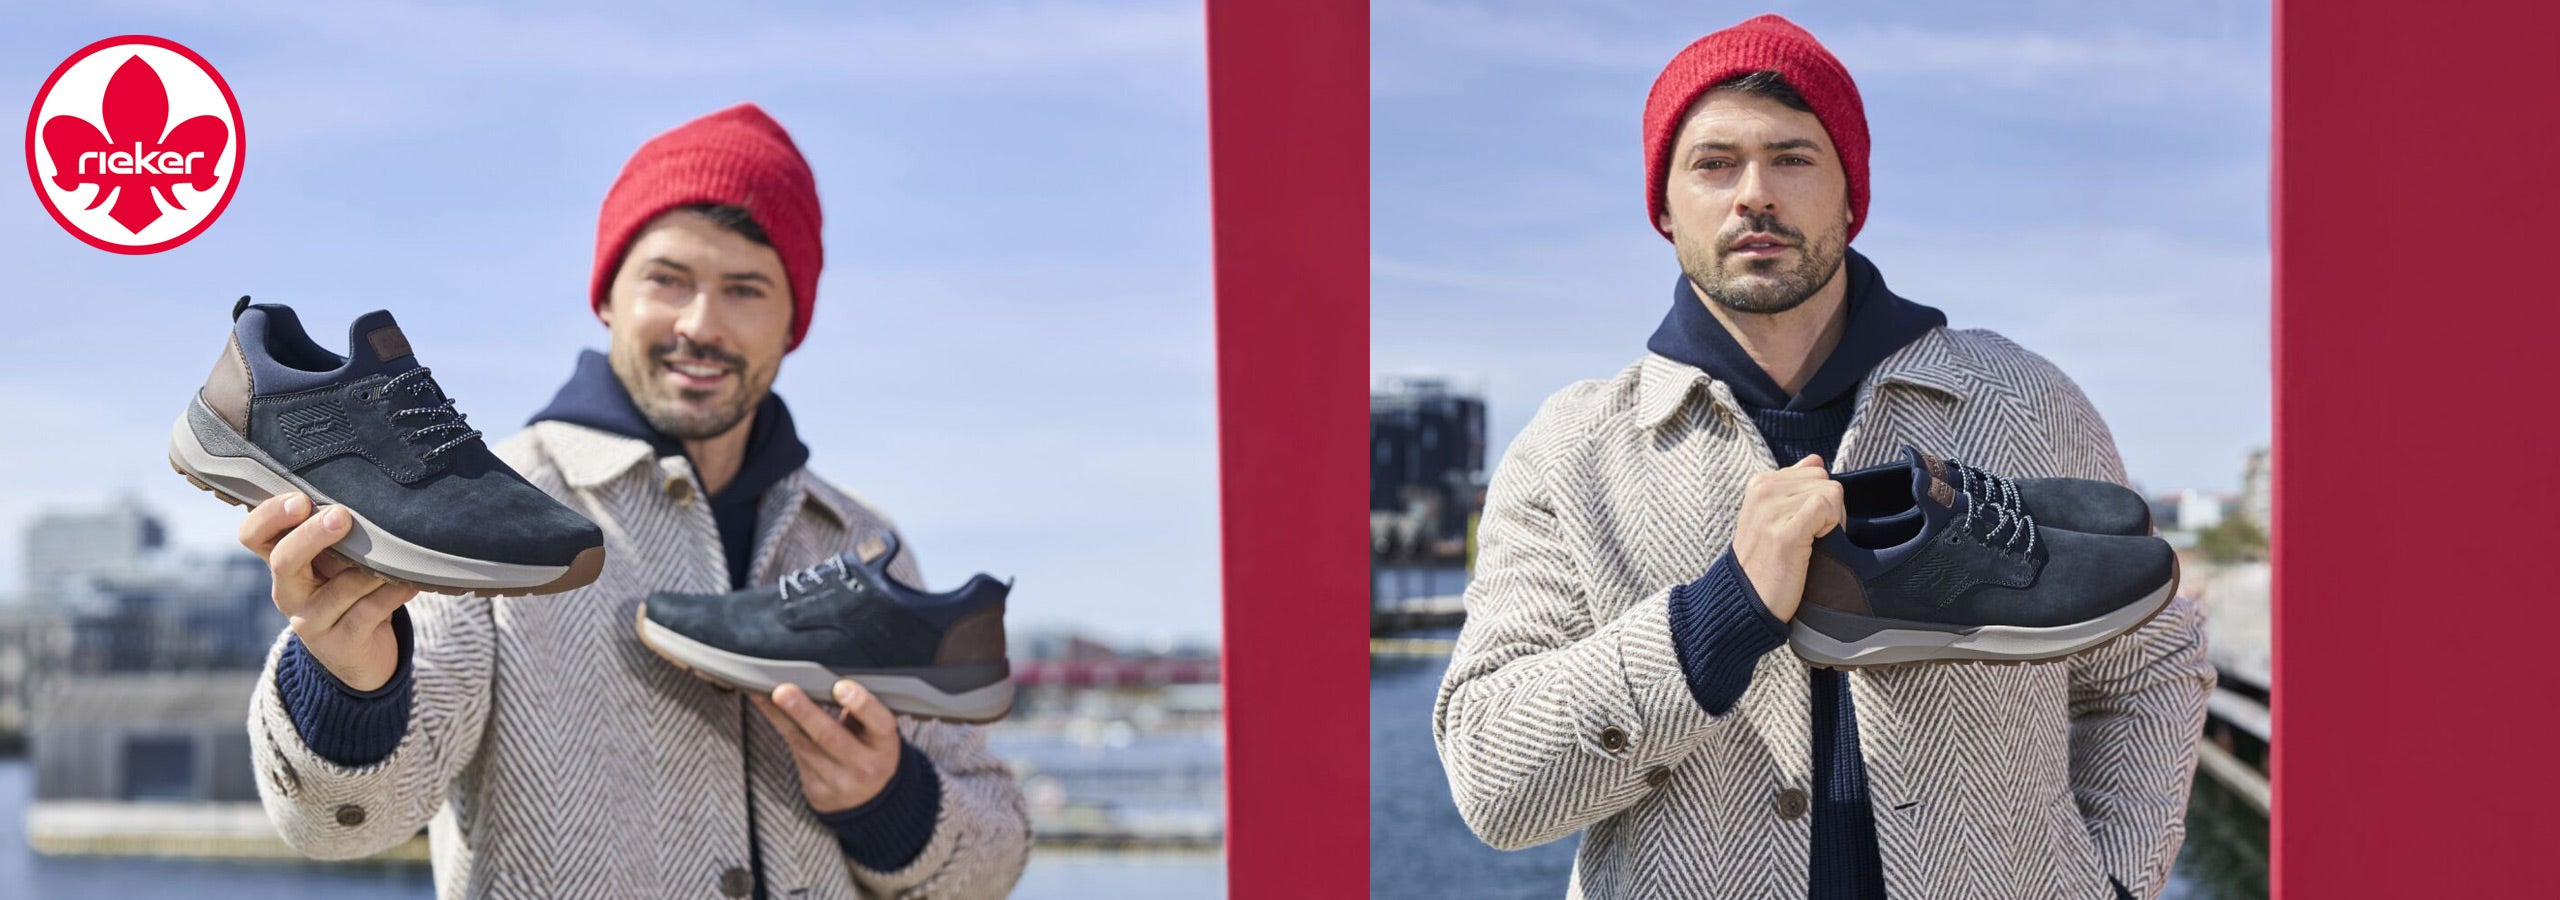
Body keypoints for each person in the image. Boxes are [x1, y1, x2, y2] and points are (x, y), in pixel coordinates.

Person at [1432, 15, 2210, 899]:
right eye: (1714, 163)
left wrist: (2112, 884)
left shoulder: (2025, 401)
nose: (1753, 194)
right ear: (1662, 205)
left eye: (1793, 159)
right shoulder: (1569, 453)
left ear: (1850, 196)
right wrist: (1717, 618)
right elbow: (1494, 783)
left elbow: (2150, 667)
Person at [241, 103, 1030, 899]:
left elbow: (995, 859)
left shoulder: (860, 541)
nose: (701, 323)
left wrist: (889, 804)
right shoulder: (485, 519)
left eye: (746, 288)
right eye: (668, 278)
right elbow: (338, 826)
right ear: (608, 295)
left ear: (795, 322)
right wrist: (347, 681)